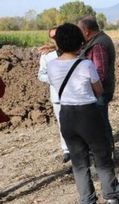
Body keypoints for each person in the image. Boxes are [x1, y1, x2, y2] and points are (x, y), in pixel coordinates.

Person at [47, 23, 119, 204]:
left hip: (66, 115)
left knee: (79, 162)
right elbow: (98, 90)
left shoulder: (51, 66)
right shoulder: (86, 65)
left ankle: (87, 200)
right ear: (79, 41)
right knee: (102, 156)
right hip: (88, 114)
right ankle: (111, 197)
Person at [77, 16, 116, 158]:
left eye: (79, 29)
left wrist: (86, 87)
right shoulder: (94, 41)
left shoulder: (98, 44)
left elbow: (100, 73)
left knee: (102, 123)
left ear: (86, 31)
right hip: (97, 91)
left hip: (99, 92)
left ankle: (108, 155)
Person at [38, 27, 70, 163]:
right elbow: (41, 75)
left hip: (73, 95)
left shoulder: (73, 51)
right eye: (53, 37)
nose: (55, 39)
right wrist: (54, 78)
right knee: (62, 123)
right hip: (57, 96)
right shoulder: (47, 56)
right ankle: (66, 150)